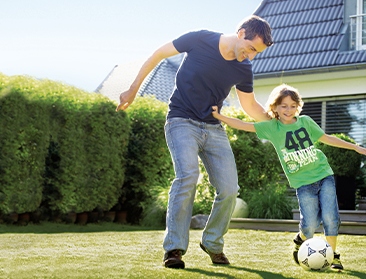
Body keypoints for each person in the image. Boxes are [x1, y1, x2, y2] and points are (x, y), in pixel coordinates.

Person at [116, 15, 274, 268]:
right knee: (188, 176)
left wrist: (277, 122)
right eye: (252, 48)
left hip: (213, 127)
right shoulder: (201, 39)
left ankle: (212, 242)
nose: (251, 56)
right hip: (180, 120)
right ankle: (174, 249)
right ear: (242, 32)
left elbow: (250, 106)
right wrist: (134, 88)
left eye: (257, 53)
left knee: (230, 188)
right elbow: (158, 54)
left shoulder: (243, 68)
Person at [212, 83, 366, 271]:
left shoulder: (306, 122)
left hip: (324, 174)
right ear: (275, 107)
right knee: (310, 224)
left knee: (330, 217)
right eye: (284, 105)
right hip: (303, 183)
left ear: (298, 107)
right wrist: (220, 116)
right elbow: (244, 125)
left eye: (293, 105)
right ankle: (301, 238)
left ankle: (333, 256)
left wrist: (355, 147)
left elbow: (327, 138)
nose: (288, 110)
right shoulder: (272, 127)